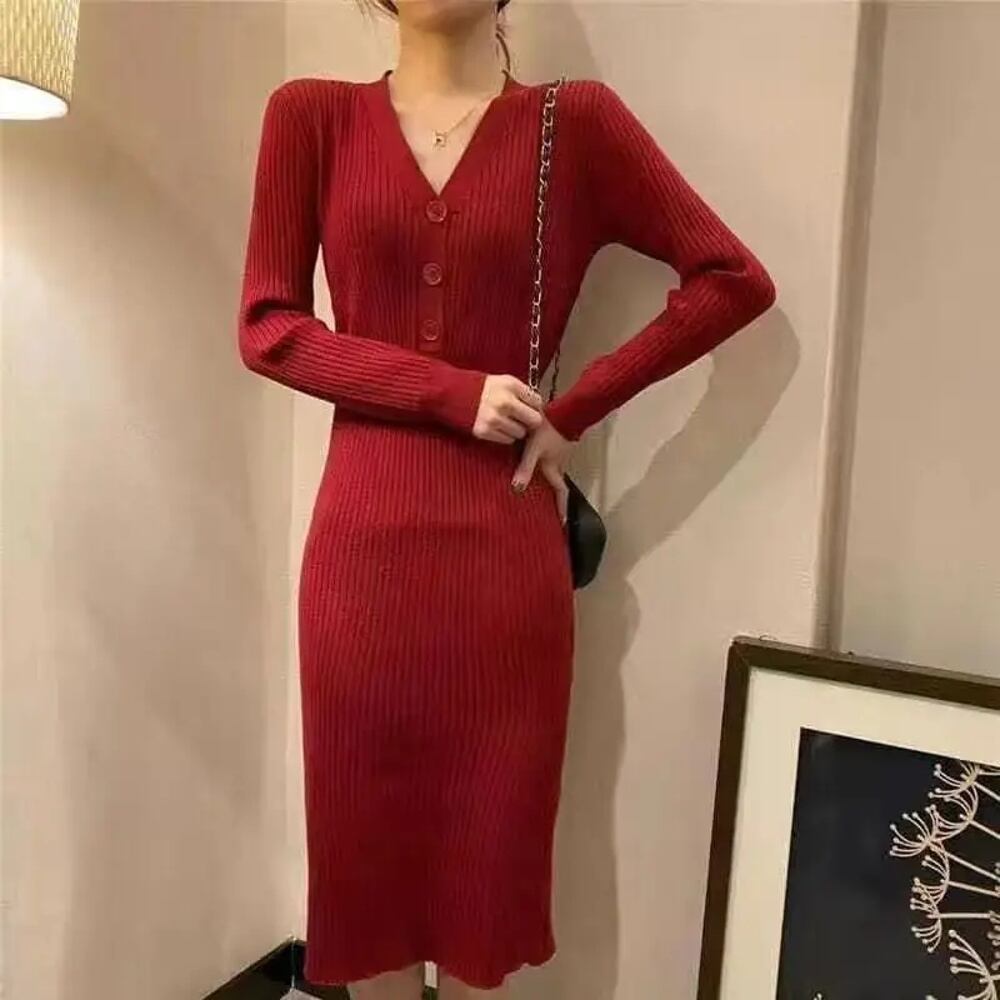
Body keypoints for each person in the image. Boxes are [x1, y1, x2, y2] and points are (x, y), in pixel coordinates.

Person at [236, 1, 776, 996]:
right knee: (368, 892)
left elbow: (731, 278)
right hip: (360, 568)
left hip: (503, 567)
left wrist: (573, 410)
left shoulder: (576, 125)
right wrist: (450, 393)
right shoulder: (311, 116)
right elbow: (269, 326)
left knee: (485, 896)